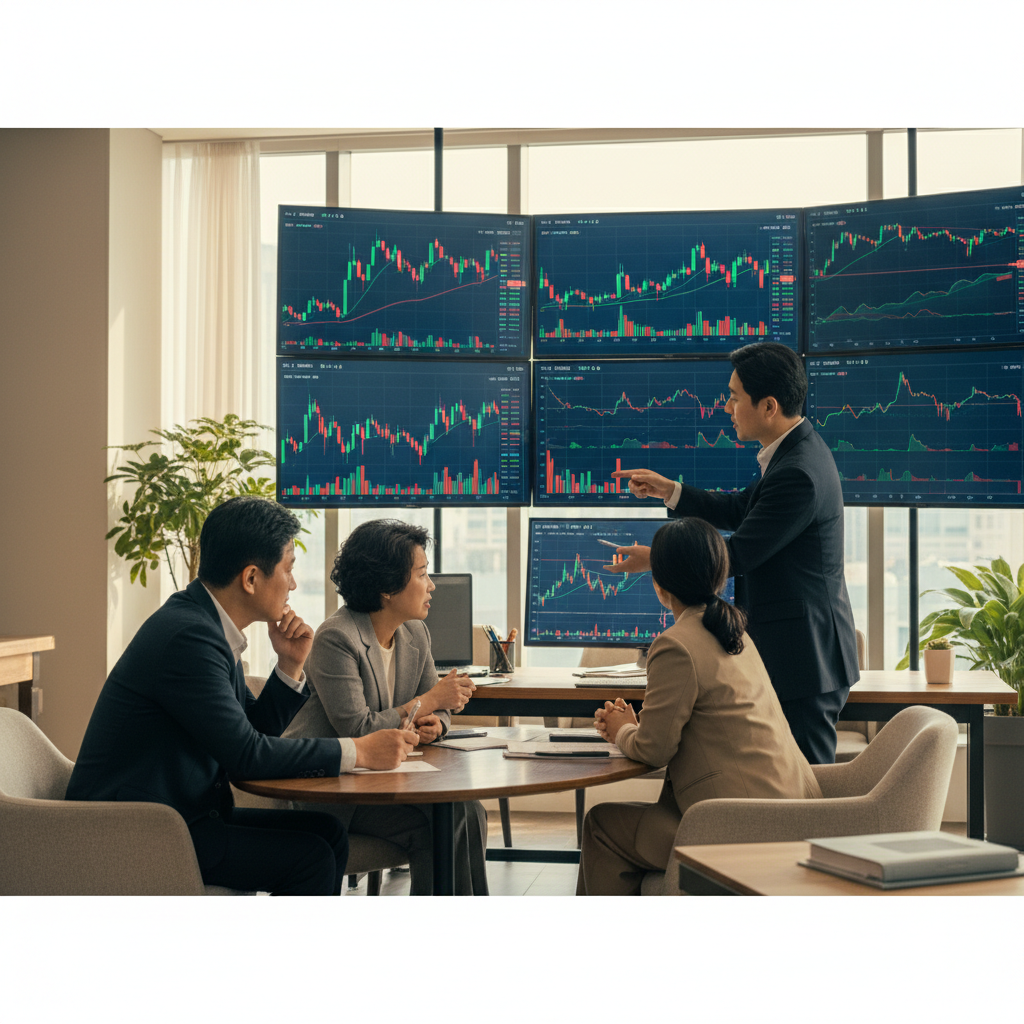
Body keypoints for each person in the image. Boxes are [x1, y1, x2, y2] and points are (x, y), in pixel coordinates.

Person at [66, 496, 417, 895]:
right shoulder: (190, 637)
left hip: (179, 816)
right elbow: (247, 757)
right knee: (310, 856)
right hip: (137, 831)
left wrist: (289, 666)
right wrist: (360, 751)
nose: (293, 584)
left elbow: (247, 732)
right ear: (251, 578)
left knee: (327, 832)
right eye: (288, 568)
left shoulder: (204, 625)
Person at [608, 341, 860, 764]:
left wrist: (657, 558)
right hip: (797, 651)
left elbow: (739, 553)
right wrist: (670, 490)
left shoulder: (798, 472)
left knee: (807, 794)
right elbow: (740, 509)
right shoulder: (793, 453)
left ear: (768, 406)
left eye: (733, 396)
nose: (726, 407)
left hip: (804, 659)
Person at [576, 518, 821, 896]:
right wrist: (634, 724)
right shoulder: (735, 632)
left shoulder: (675, 644)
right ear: (719, 577)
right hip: (789, 815)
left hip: (736, 827)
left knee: (600, 824)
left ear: (660, 586)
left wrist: (622, 727)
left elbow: (653, 751)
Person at [284, 519, 489, 896]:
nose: (432, 585)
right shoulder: (336, 637)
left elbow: (437, 707)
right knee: (446, 820)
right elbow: (358, 728)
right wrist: (431, 701)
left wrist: (436, 724)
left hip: (386, 780)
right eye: (422, 574)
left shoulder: (415, 632)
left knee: (467, 809)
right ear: (387, 587)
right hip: (330, 790)